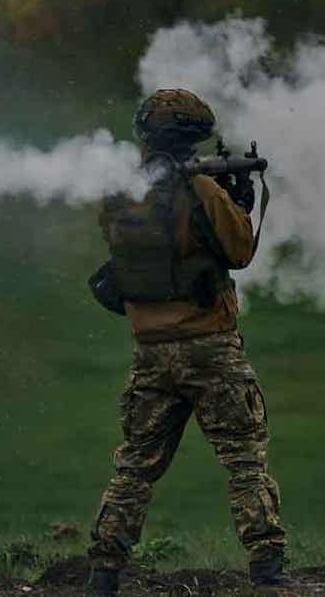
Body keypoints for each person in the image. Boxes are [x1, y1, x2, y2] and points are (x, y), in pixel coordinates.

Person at [85, 89, 288, 595]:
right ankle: (268, 569)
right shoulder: (198, 187)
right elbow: (238, 251)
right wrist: (236, 202)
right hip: (208, 346)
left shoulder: (116, 190)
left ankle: (103, 572)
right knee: (244, 458)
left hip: (150, 348)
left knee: (134, 465)